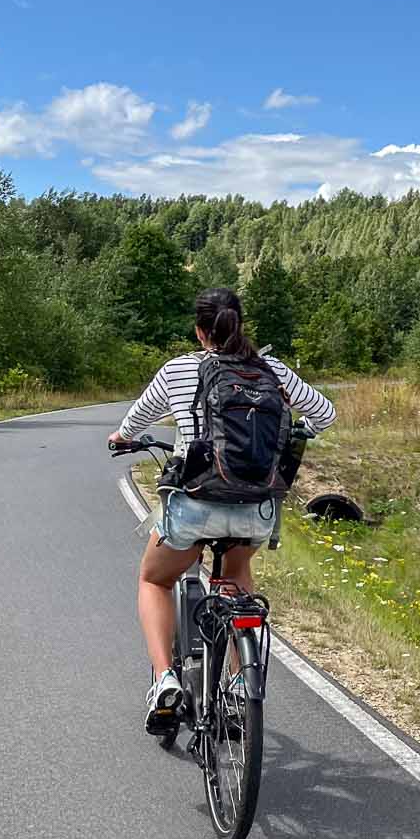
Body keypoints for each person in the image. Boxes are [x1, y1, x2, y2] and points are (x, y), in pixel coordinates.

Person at [108, 286, 336, 733]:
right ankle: (234, 684)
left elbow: (135, 422)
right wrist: (297, 426)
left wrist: (121, 438)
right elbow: (324, 415)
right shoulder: (270, 369)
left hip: (194, 504)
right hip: (255, 506)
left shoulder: (179, 369)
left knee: (154, 579)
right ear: (240, 325)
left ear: (199, 331)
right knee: (233, 577)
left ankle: (164, 679)